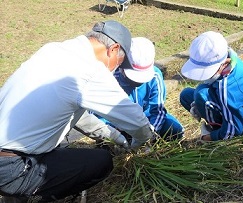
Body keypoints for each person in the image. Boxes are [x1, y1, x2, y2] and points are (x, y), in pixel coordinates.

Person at [0, 20, 155, 202]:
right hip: (11, 168)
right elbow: (138, 122)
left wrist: (116, 137)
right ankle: (29, 195)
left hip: (9, 152)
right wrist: (140, 143)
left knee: (56, 146)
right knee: (101, 162)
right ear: (113, 50)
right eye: (118, 64)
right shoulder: (90, 70)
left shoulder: (53, 50)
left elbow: (76, 117)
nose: (115, 70)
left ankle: (16, 195)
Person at [179, 31, 243, 141]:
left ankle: (216, 129)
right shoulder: (228, 60)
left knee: (201, 94)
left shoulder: (228, 88)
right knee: (186, 95)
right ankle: (219, 122)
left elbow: (236, 129)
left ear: (221, 65)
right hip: (233, 106)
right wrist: (197, 104)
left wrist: (208, 137)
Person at [88, 37, 184, 141]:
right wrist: (114, 131)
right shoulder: (110, 77)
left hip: (146, 118)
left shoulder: (155, 76)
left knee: (174, 129)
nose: (137, 83)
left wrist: (151, 134)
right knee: (108, 143)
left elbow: (158, 111)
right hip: (118, 122)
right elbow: (96, 113)